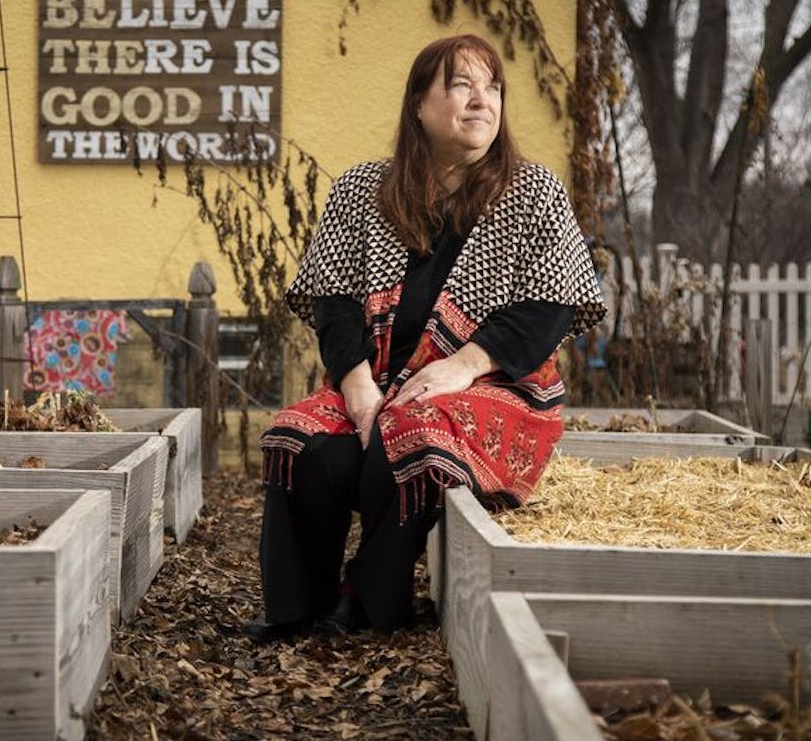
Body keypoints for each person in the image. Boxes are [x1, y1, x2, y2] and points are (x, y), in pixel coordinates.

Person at [245, 34, 606, 641]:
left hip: (499, 388)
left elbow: (551, 309)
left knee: (411, 439)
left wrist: (463, 365)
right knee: (300, 442)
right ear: (418, 104)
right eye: (461, 85)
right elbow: (333, 303)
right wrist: (357, 386)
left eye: (492, 88)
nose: (481, 102)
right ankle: (296, 609)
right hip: (379, 380)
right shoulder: (363, 191)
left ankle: (367, 601)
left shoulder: (533, 192)